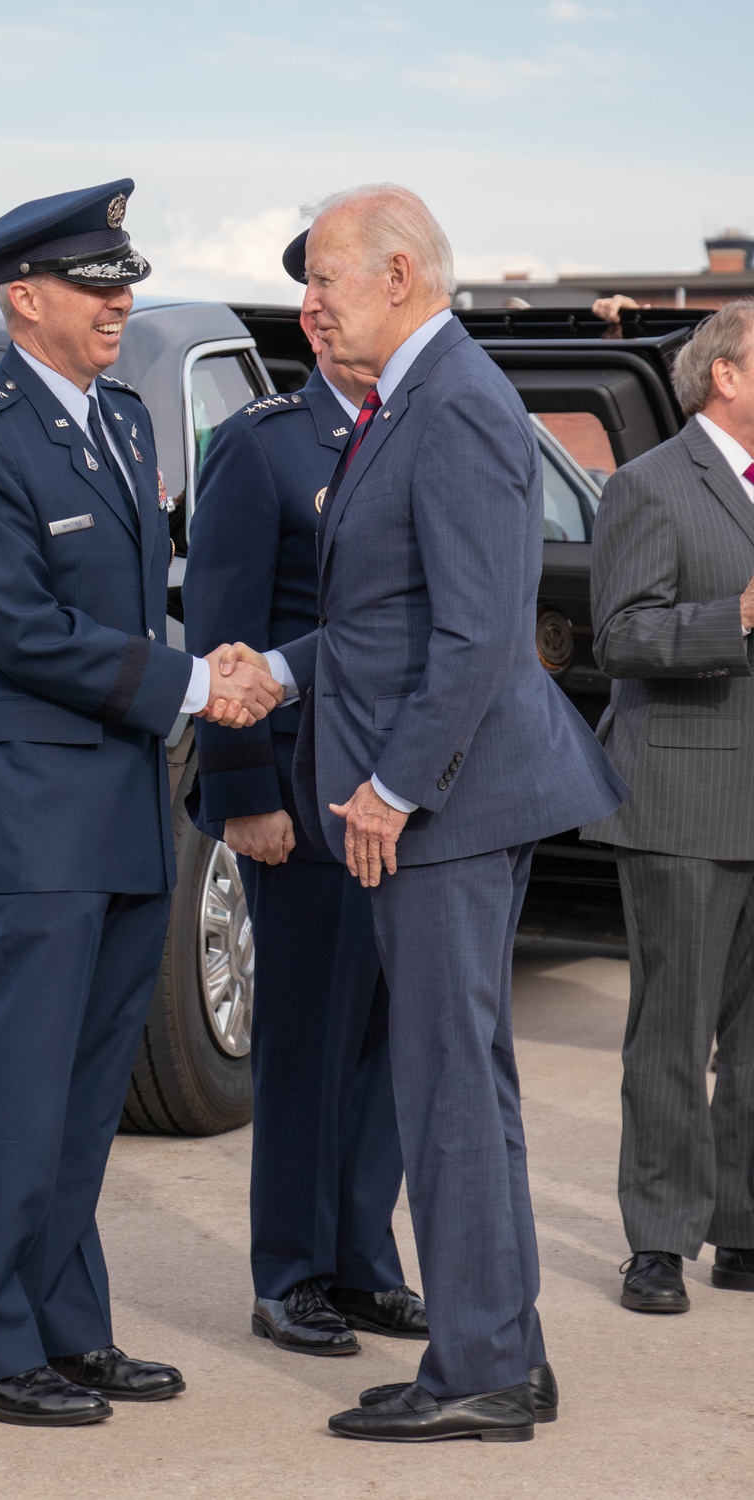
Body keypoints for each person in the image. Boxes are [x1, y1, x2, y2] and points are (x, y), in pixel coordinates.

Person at [234, 182, 626, 1443]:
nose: (310, 304)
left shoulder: (451, 404)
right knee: (463, 1081)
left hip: (444, 807)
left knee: (449, 1083)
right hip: (443, 796)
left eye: (327, 282)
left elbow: (472, 636)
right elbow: (379, 616)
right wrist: (283, 671)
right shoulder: (411, 399)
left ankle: (481, 1373)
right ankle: (498, 1343)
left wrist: (391, 791)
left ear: (398, 276)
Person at [0, 180, 282, 1427]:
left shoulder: (115, 417)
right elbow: (15, 627)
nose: (120, 303)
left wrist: (204, 669)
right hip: (33, 812)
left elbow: (136, 590)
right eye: (95, 285)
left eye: (124, 282)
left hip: (118, 800)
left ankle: (64, 1327)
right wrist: (187, 682)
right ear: (26, 298)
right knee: (18, 1087)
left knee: (85, 1087)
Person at [183, 309, 426, 1357]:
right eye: (322, 300)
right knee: (307, 1044)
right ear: (317, 328)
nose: (336, 316)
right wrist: (243, 793)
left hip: (404, 791)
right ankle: (291, 1271)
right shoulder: (263, 441)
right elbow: (223, 622)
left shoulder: (409, 427)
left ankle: (364, 1260)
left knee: (388, 1042)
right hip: (302, 790)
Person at [582, 302, 754, 1313]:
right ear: (725, 375)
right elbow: (621, 639)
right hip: (682, 800)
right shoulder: (647, 486)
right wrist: (731, 617)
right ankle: (658, 1242)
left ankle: (742, 1230)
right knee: (670, 1035)